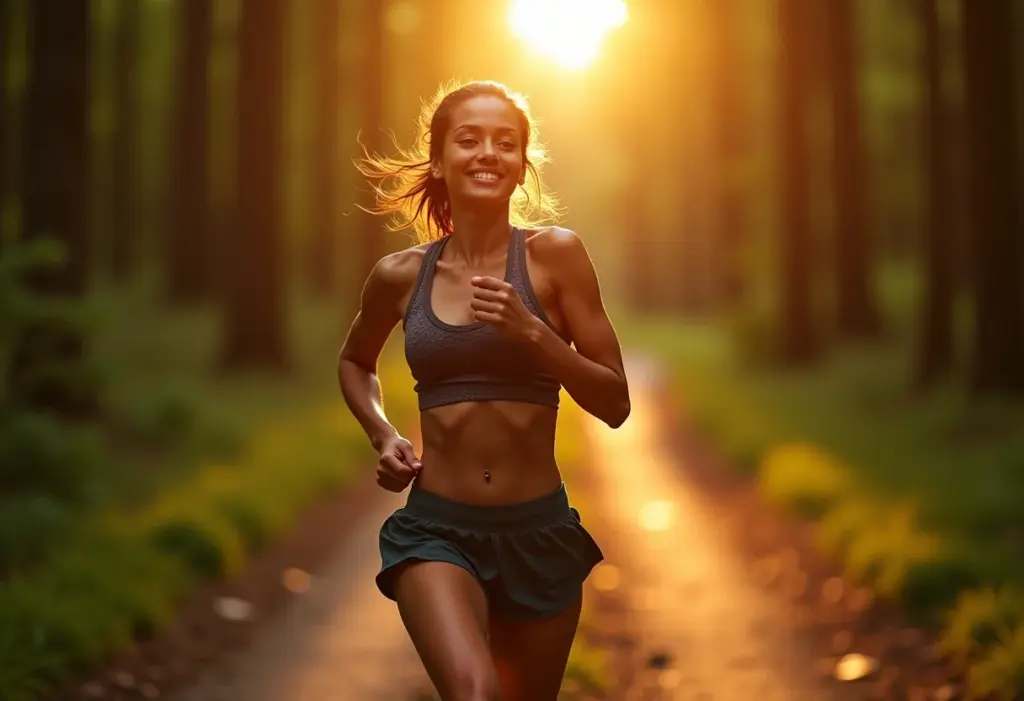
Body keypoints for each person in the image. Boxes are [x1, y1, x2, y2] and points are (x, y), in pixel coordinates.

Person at [337, 79, 630, 701]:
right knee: (475, 691)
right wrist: (383, 433)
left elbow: (615, 402)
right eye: (467, 140)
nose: (487, 153)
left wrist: (535, 335)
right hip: (437, 530)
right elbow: (355, 361)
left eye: (505, 142)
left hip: (540, 532)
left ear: (523, 166)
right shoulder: (400, 274)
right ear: (439, 161)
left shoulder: (556, 258)